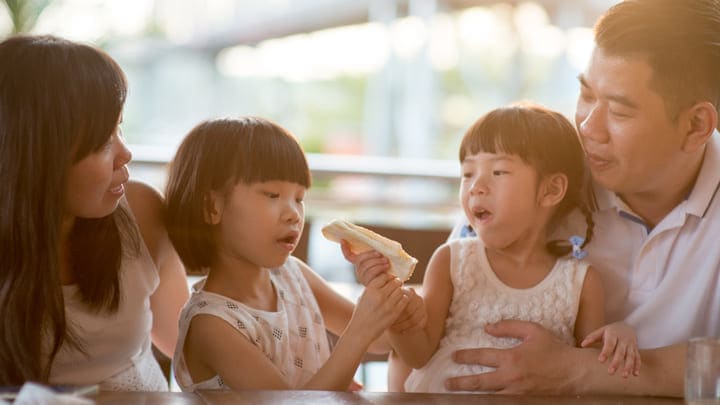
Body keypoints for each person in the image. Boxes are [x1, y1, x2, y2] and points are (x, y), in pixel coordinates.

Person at [443, 0, 720, 396]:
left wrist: (585, 370)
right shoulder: (543, 174)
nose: (589, 127)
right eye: (587, 94)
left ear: (696, 125)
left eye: (620, 113)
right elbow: (448, 315)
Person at [344, 104, 640, 392]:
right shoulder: (451, 260)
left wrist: (617, 338)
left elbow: (585, 373)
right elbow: (418, 355)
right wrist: (399, 319)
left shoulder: (582, 281)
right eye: (468, 174)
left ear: (550, 190)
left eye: (498, 172)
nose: (476, 186)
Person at [165, 117, 421, 391]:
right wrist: (360, 331)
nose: (293, 214)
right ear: (211, 207)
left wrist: (389, 304)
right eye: (273, 195)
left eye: (299, 198)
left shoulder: (292, 275)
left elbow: (379, 341)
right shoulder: (211, 325)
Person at [0, 35, 189, 390]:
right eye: (104, 140)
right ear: (38, 153)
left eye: (120, 128)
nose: (126, 153)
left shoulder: (142, 213)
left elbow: (193, 347)